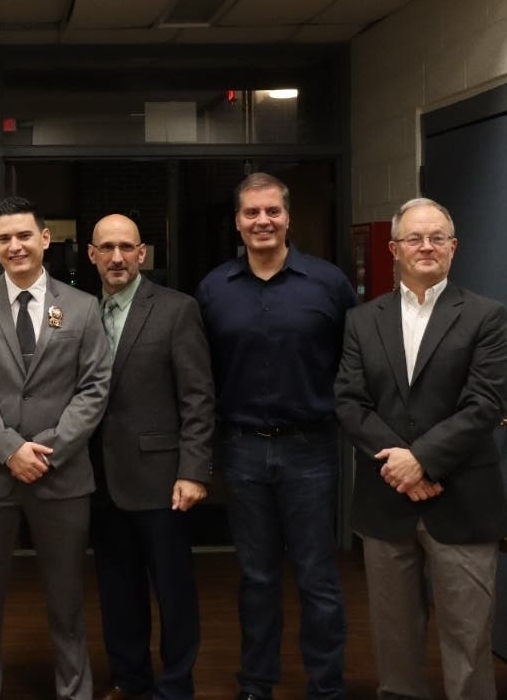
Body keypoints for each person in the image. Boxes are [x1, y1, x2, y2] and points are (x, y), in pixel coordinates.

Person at [335, 198, 507, 699]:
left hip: (463, 502)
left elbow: (485, 403)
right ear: (393, 249)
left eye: (437, 238)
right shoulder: (361, 321)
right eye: (414, 238)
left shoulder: (487, 317)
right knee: (394, 644)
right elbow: (349, 402)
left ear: (453, 248)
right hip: (386, 502)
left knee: (468, 642)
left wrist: (423, 460)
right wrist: (402, 465)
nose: (426, 246)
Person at [196, 172, 355, 700]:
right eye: (251, 213)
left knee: (317, 578)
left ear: (288, 217)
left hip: (311, 447)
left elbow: (351, 366)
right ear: (237, 223)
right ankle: (257, 682)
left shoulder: (328, 284)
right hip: (242, 448)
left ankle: (326, 686)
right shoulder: (214, 289)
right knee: (257, 578)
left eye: (272, 211)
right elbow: (204, 374)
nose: (262, 221)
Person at [0, 196, 111, 700]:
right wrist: (8, 450)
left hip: (61, 477)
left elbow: (94, 389)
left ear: (45, 239)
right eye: (4, 238)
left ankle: (74, 689)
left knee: (65, 596)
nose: (14, 246)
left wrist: (45, 450)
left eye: (24, 236)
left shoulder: (83, 307)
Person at [86, 214, 215, 700]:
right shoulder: (79, 311)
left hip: (162, 477)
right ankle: (129, 678)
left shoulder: (176, 310)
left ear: (143, 254)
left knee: (173, 590)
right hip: (99, 477)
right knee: (118, 590)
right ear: (91, 255)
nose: (116, 257)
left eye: (126, 247)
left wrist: (193, 470)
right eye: (106, 248)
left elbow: (198, 396)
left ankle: (177, 684)